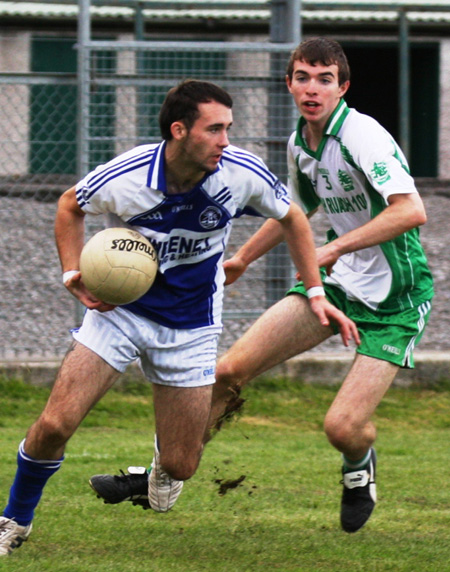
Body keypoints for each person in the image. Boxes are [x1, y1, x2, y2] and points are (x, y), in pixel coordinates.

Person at [0, 79, 358, 556]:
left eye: (228, 128)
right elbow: (70, 205)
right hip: (120, 314)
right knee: (55, 424)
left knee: (181, 465)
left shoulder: (238, 172)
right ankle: (14, 521)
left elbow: (292, 216)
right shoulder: (128, 175)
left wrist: (314, 289)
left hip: (190, 328)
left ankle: (158, 459)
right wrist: (72, 271)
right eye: (215, 129)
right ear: (179, 131)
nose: (225, 141)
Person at [89, 39, 434, 534]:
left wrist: (333, 249)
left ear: (343, 87)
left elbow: (411, 210)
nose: (311, 88)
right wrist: (243, 259)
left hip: (397, 299)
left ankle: (359, 465)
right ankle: (160, 476)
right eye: (302, 77)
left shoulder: (363, 135)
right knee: (227, 371)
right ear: (288, 83)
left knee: (342, 426)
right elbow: (293, 212)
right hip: (336, 284)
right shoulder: (302, 143)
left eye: (324, 79)